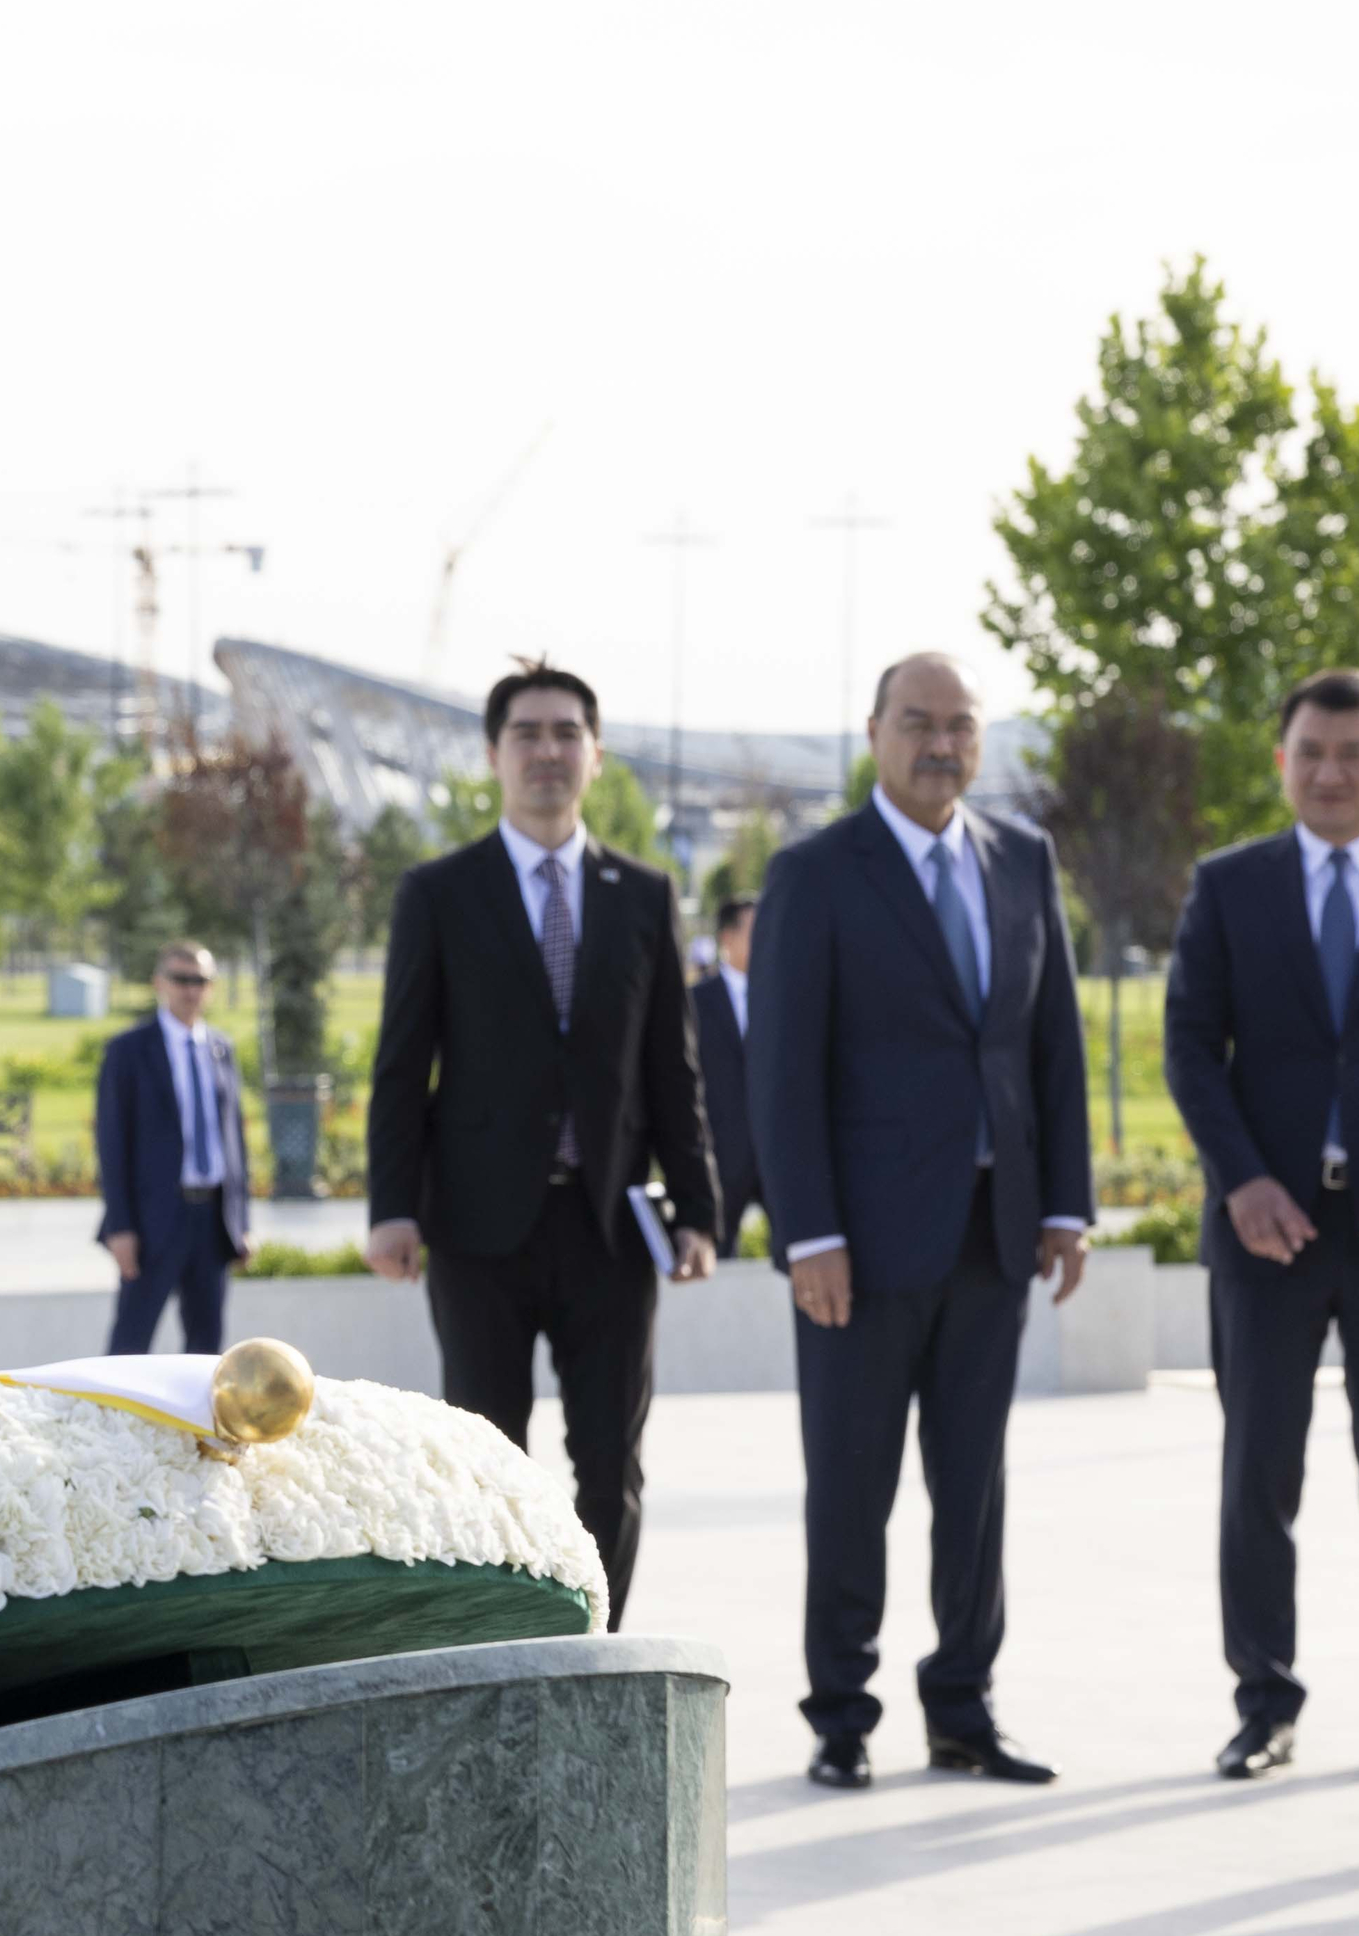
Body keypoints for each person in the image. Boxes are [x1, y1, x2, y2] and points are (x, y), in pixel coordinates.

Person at [750, 650, 1092, 1790]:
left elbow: (1052, 1046)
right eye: (915, 722)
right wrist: (807, 1233)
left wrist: (1063, 1204)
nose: (939, 742)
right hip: (858, 1247)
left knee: (973, 1489)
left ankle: (962, 1708)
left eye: (958, 724)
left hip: (993, 1238)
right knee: (851, 1484)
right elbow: (780, 1072)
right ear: (872, 731)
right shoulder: (816, 873)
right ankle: (841, 1715)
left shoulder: (1021, 860)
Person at [1164, 670, 1359, 1785]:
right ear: (1281, 761)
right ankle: (1264, 1702)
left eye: (1353, 753)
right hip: (1267, 1236)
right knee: (1259, 1476)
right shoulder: (1228, 885)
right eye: (1309, 751)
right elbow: (1189, 1047)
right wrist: (1241, 1181)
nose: (1330, 772)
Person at [363, 663, 720, 1628]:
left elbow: (671, 1070)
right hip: (477, 1229)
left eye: (568, 733)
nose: (548, 751)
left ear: (596, 756)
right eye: (528, 734)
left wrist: (697, 1211)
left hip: (610, 1227)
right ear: (493, 755)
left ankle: (593, 1647)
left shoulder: (642, 895)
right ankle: (505, 1642)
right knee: (485, 1453)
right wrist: (390, 1206)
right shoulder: (440, 893)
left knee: (612, 1464)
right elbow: (403, 1063)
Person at [94, 945, 250, 1357]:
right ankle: (114, 1422)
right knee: (130, 1342)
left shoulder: (221, 1048)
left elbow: (233, 1138)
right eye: (181, 979)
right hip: (152, 1222)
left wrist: (240, 1218)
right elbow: (112, 1144)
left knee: (207, 1347)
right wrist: (120, 1227)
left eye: (200, 980)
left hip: (212, 1219)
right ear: (159, 983)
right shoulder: (129, 1050)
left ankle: (194, 1424)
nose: (191, 990)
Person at [693, 899, 764, 1257]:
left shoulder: (785, 995)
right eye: (756, 931)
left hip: (776, 1155)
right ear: (727, 938)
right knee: (718, 1261)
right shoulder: (695, 1003)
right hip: (721, 1155)